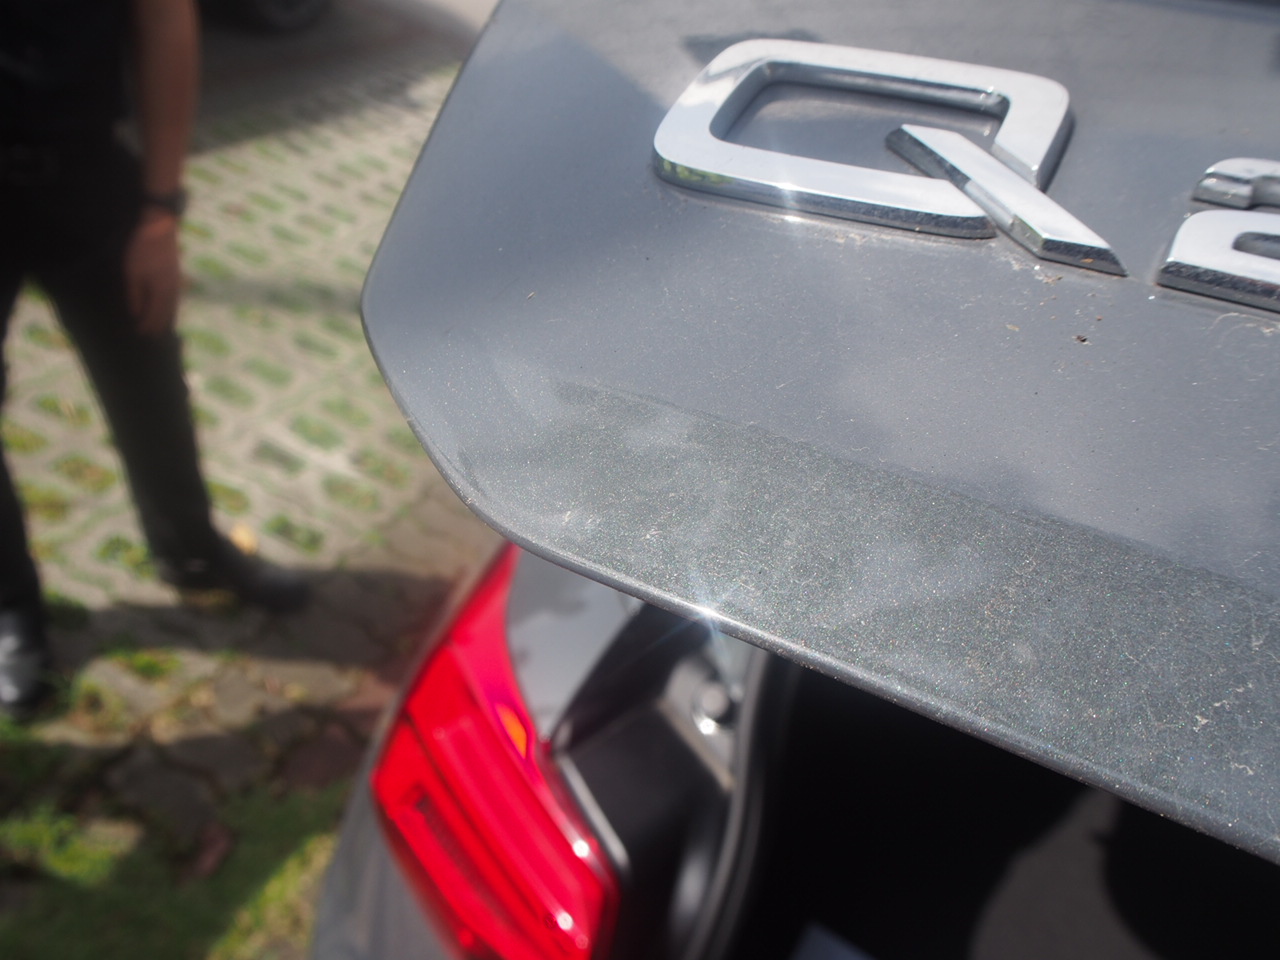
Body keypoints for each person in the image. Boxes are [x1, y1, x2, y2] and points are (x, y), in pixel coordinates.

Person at [0, 0, 309, 718]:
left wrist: (161, 211)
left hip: (84, 171)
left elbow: (165, 16)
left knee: (148, 376)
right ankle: (10, 608)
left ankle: (191, 550)